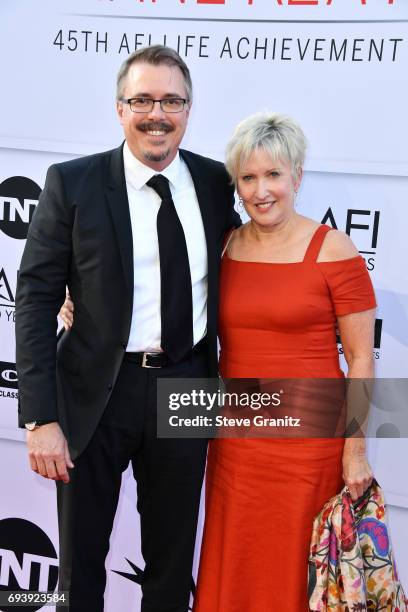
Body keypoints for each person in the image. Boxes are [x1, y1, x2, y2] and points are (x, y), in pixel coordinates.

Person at [15, 45, 240, 612]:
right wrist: (40, 416)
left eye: (171, 100)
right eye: (142, 99)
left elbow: (253, 256)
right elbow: (37, 300)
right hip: (96, 391)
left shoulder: (216, 184)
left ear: (189, 110)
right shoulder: (74, 182)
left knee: (169, 565)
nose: (156, 113)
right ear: (120, 108)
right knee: (81, 565)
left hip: (186, 387)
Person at [191, 113, 376, 611]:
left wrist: (355, 450)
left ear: (297, 174)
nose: (261, 190)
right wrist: (76, 299)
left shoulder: (334, 250)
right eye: (248, 178)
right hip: (237, 443)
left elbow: (360, 357)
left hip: (309, 445)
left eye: (273, 174)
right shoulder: (225, 246)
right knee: (237, 556)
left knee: (299, 566)